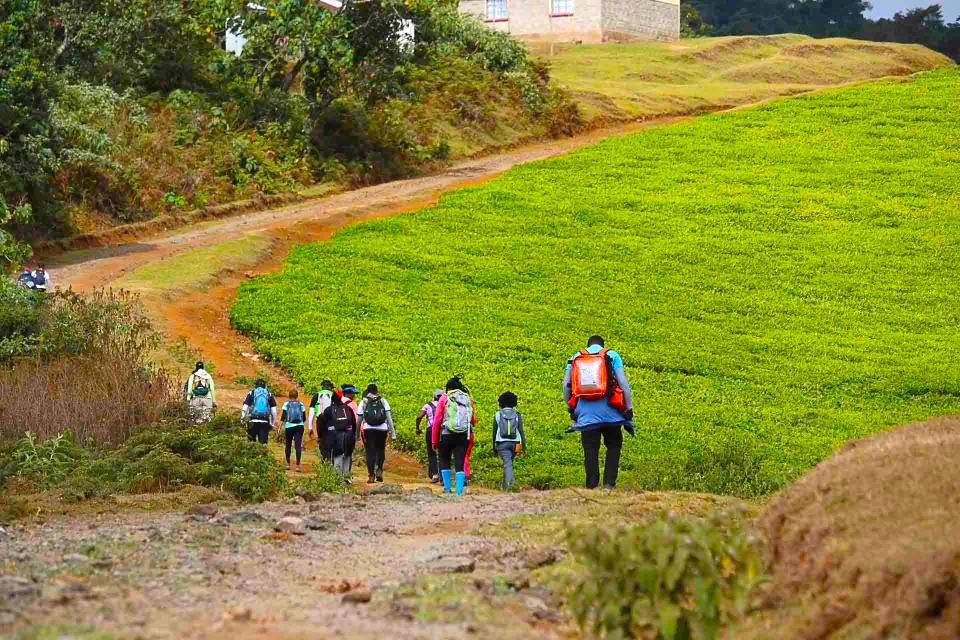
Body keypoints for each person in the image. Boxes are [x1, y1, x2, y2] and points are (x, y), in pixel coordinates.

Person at [563, 335, 634, 490]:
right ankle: (609, 484)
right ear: (602, 345)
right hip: (611, 411)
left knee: (590, 448)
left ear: (588, 345)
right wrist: (629, 408)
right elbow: (623, 383)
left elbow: (566, 385)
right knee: (614, 445)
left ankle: (592, 485)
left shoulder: (576, 356)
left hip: (586, 414)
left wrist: (571, 408)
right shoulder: (612, 355)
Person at [431, 377, 476, 496]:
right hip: (463, 435)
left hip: (447, 434)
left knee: (444, 459)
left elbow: (437, 421)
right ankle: (459, 491)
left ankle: (447, 488)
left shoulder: (444, 398)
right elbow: (473, 420)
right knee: (460, 462)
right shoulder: (468, 399)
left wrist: (434, 440)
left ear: (448, 388)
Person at [357, 383, 397, 483]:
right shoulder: (383, 400)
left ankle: (371, 475)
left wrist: (356, 433)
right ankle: (379, 469)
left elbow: (359, 419)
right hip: (382, 429)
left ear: (368, 391)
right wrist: (393, 433)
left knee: (370, 451)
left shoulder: (364, 401)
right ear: (377, 391)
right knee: (380, 449)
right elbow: (389, 418)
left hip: (368, 429)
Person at [318, 389, 358, 483]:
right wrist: (354, 436)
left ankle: (338, 479)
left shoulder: (329, 409)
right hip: (349, 436)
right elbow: (354, 423)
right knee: (348, 456)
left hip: (337, 437)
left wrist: (321, 437)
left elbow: (321, 423)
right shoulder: (348, 408)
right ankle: (347, 478)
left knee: (337, 456)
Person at [493, 391, 527, 490]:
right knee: (509, 463)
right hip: (515, 444)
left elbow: (494, 432)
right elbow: (521, 431)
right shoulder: (517, 415)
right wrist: (524, 448)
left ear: (501, 402)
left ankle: (509, 486)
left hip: (501, 443)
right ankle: (506, 487)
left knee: (507, 464)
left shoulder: (498, 414)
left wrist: (494, 447)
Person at [415, 390, 443, 482]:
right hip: (443, 430)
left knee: (431, 452)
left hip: (430, 430)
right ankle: (443, 476)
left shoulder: (428, 405)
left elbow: (419, 417)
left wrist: (417, 428)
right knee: (443, 453)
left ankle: (434, 474)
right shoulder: (445, 405)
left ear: (434, 396)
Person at [241, 379, 277, 444]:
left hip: (252, 421)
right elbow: (274, 411)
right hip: (264, 421)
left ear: (256, 386)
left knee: (251, 444)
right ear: (265, 386)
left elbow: (245, 407)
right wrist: (272, 423)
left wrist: (242, 419)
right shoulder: (269, 394)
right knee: (263, 445)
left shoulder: (251, 393)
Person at [308, 379, 336, 462]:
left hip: (320, 420)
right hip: (332, 421)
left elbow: (312, 412)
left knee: (322, 439)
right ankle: (331, 459)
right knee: (332, 439)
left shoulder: (317, 395)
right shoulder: (334, 395)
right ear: (330, 387)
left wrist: (310, 427)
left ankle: (325, 458)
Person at [279, 389, 306, 471]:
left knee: (288, 444)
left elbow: (283, 417)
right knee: (298, 445)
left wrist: (279, 427)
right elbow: (304, 418)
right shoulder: (301, 404)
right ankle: (298, 465)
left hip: (289, 426)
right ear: (297, 396)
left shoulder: (286, 404)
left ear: (289, 396)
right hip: (299, 426)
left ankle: (288, 464)